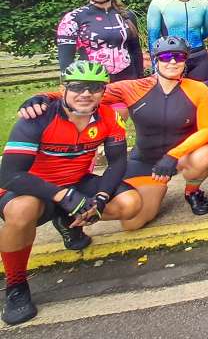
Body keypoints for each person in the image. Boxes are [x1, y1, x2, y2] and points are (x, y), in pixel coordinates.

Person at [17, 37, 208, 230]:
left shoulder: (198, 89)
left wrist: (173, 155)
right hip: (146, 161)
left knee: (204, 155)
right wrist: (43, 97)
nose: (172, 62)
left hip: (182, 156)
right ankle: (67, 215)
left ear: (185, 60)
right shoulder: (134, 87)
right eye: (165, 57)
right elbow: (89, 92)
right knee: (133, 222)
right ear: (156, 60)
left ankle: (193, 192)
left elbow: (207, 129)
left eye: (179, 57)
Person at [0, 61, 140, 325]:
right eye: (77, 87)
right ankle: (16, 286)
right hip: (32, 187)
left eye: (95, 87)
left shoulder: (109, 116)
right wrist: (64, 196)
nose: (86, 93)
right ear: (63, 88)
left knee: (130, 204)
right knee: (21, 211)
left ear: (103, 91)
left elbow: (118, 163)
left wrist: (99, 199)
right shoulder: (38, 117)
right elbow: (10, 175)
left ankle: (66, 221)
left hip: (76, 181)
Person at [57, 0, 144, 82]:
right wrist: (69, 85)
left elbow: (135, 51)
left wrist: (140, 79)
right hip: (92, 82)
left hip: (127, 81)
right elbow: (66, 60)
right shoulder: (72, 18)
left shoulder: (127, 15)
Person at [147, 0, 208, 84]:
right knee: (173, 99)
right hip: (171, 58)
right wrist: (154, 63)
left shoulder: (204, 4)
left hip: (199, 56)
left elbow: (207, 30)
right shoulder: (158, 4)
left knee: (201, 97)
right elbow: (153, 37)